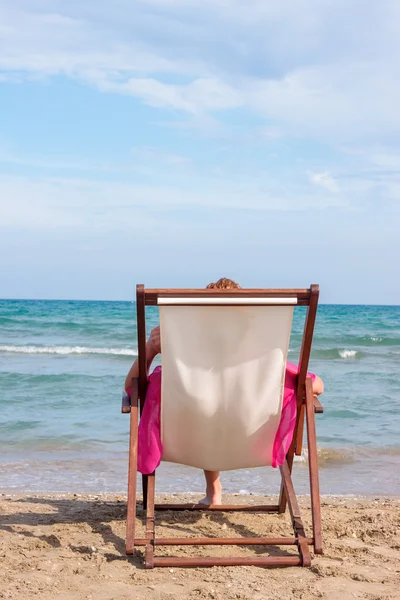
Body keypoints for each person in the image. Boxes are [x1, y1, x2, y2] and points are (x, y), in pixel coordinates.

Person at [124, 278, 324, 505]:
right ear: (246, 325)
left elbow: (131, 388)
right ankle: (215, 490)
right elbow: (317, 386)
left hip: (195, 438)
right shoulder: (268, 370)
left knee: (205, 404)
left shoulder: (179, 375)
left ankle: (213, 492)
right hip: (249, 439)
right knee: (219, 406)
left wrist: (150, 349)